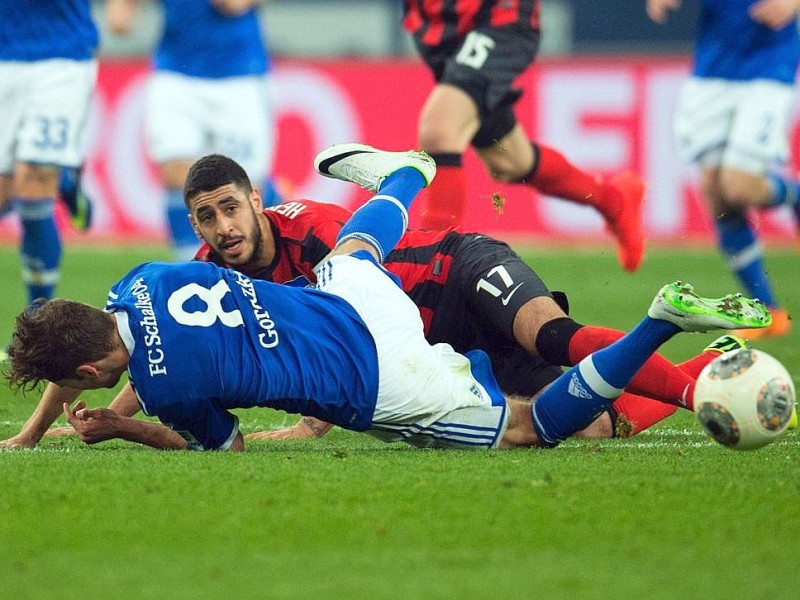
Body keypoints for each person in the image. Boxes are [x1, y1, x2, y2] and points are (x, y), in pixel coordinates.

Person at [4, 144, 772, 451]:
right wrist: (46, 421)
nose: (219, 226)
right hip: (366, 301)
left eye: (228, 207)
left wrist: (116, 429)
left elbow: (221, 441)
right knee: (356, 250)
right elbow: (112, 342)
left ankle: (662, 328)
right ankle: (407, 172)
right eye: (206, 215)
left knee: (539, 422)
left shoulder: (167, 384)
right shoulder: (143, 278)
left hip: (400, 354)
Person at [402, 1, 647, 272]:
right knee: (510, 162)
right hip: (440, 25)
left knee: (440, 129)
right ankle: (614, 201)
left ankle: (433, 273)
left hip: (498, 16)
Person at [646, 0, 800, 339]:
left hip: (768, 66)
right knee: (716, 194)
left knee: (739, 186)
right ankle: (770, 312)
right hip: (712, 70)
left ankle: (795, 196)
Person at [106, 0, 277, 261]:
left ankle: (280, 207)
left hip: (239, 75)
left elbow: (233, 5)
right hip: (177, 73)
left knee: (246, 185)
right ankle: (190, 268)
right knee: (177, 175)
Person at [0, 0, 98, 306]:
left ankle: (36, 322)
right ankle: (64, 181)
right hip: (5, 55)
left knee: (34, 181)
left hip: (60, 54)